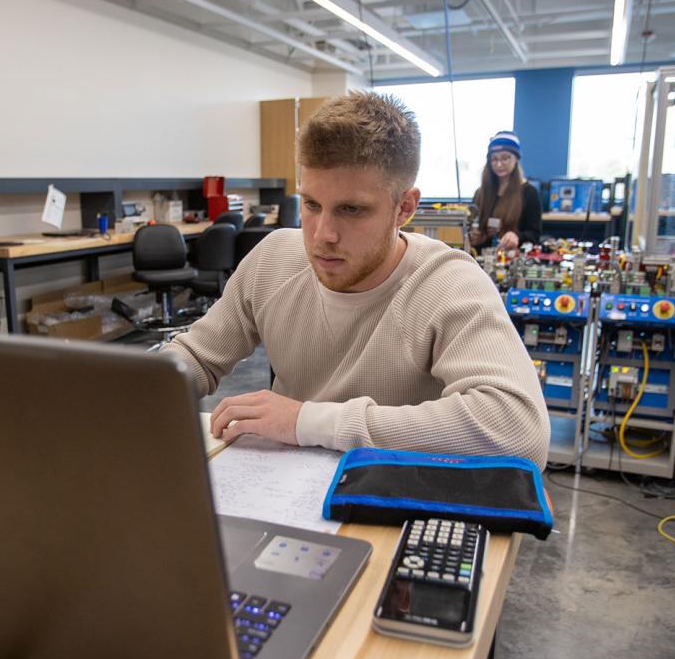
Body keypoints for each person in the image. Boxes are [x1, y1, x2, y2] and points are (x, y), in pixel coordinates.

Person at [162, 92, 548, 464]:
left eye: (351, 209)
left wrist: (307, 422)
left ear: (405, 208)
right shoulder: (273, 260)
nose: (321, 235)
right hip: (282, 492)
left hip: (387, 504)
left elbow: (519, 428)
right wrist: (131, 393)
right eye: (311, 205)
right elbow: (196, 357)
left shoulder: (449, 284)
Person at [470, 131, 542, 251]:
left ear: (516, 159)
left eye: (505, 158)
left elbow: (534, 235)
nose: (499, 164)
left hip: (512, 259)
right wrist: (475, 236)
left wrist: (517, 236)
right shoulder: (480, 194)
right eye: (494, 159)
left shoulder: (529, 193)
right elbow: (472, 227)